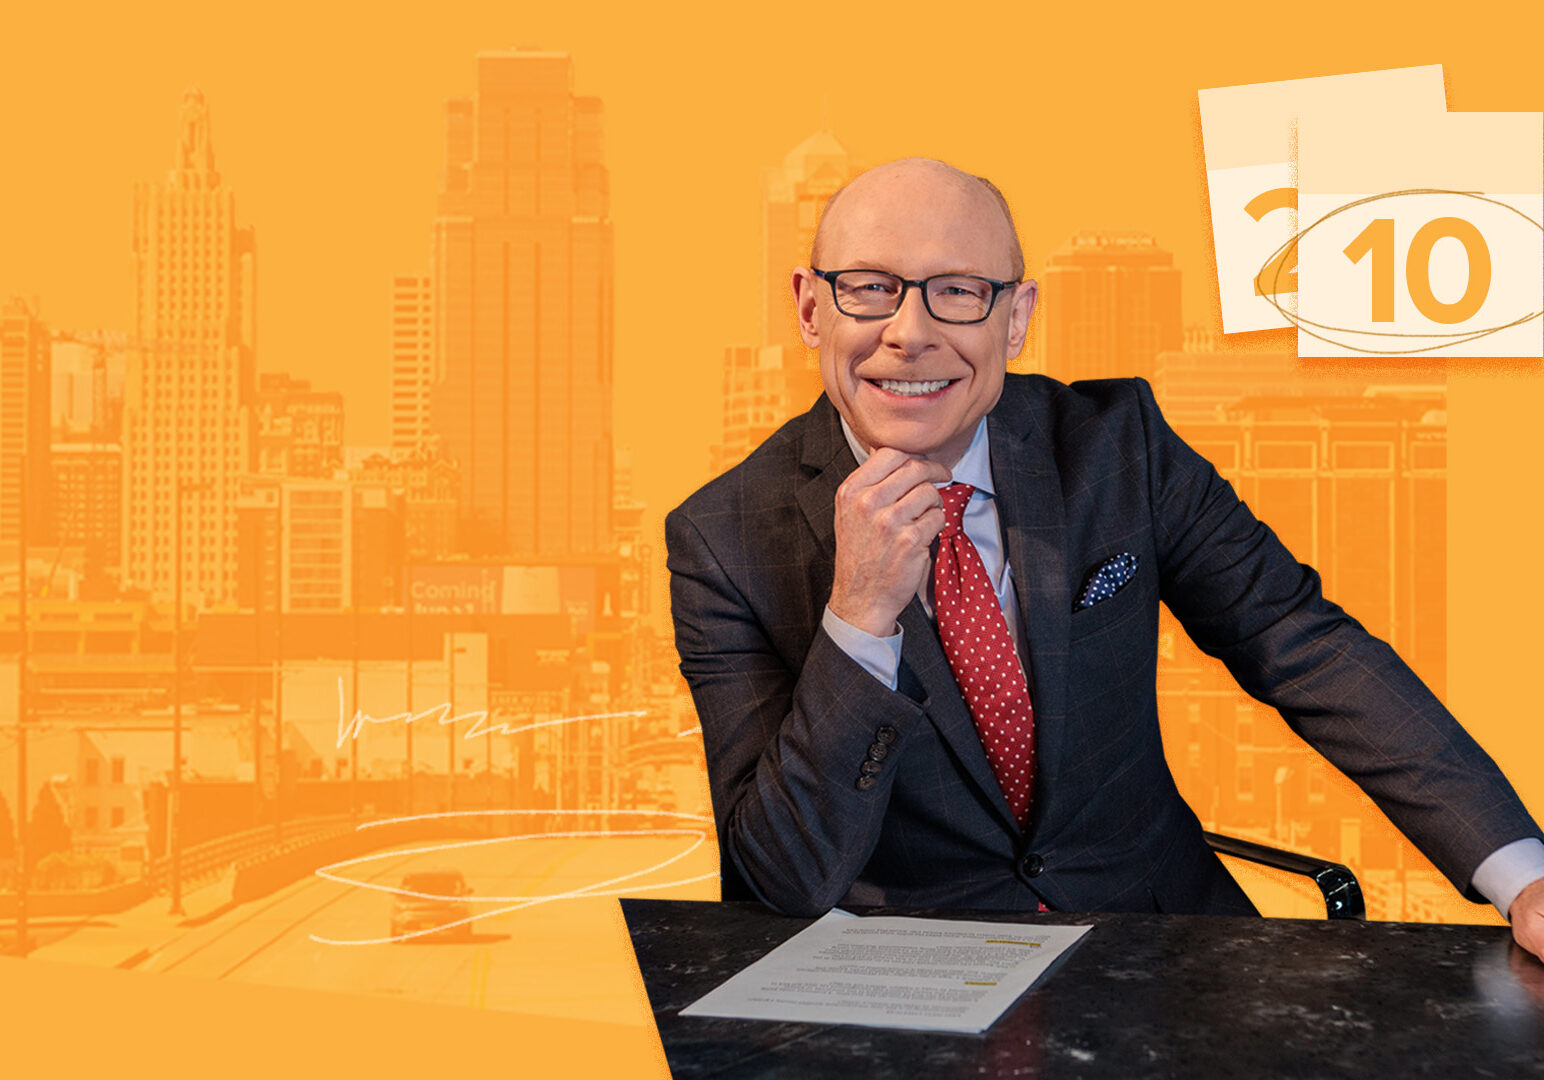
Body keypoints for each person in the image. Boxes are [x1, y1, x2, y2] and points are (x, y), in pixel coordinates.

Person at [665, 157, 1544, 959]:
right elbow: (780, 881)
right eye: (869, 288)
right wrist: (858, 619)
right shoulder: (723, 538)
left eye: (960, 292)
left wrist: (1523, 874)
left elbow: (1298, 640)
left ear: (1017, 319)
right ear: (811, 306)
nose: (909, 332)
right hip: (917, 980)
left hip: (1166, 940)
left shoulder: (1118, 448)